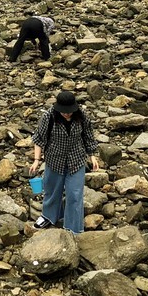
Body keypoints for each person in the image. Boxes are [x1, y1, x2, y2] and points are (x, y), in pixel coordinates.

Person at [29, 90, 100, 233]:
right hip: (54, 159)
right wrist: (36, 160)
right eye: (64, 112)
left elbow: (88, 136)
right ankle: (49, 216)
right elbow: (38, 139)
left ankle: (73, 228)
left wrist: (92, 156)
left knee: (75, 195)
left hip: (76, 159)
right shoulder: (48, 117)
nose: (67, 114)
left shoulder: (81, 116)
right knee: (52, 190)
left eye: (70, 111)